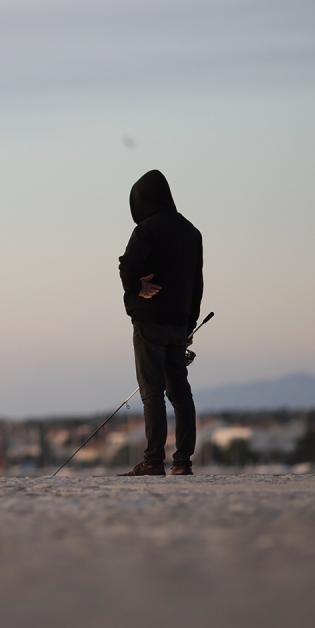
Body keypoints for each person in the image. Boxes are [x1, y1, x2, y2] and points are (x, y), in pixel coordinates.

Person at [117, 170, 203, 476]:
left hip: (149, 321)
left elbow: (127, 265)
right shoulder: (192, 233)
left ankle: (153, 461)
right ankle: (183, 462)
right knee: (181, 392)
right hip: (179, 324)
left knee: (152, 392)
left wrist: (137, 287)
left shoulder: (147, 229)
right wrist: (189, 324)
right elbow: (196, 284)